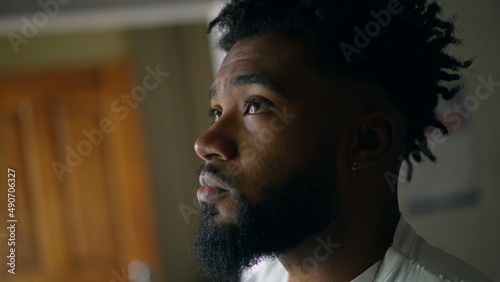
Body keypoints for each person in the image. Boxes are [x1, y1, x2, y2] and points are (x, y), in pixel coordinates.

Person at [192, 0, 491, 281]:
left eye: (255, 105)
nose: (205, 143)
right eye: (216, 111)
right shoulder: (260, 276)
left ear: (367, 141)